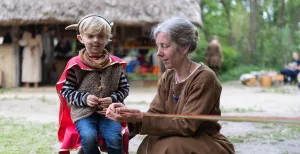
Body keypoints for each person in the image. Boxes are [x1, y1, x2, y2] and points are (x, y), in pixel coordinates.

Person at [106, 17, 235, 154]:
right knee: (148, 145)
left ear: (184, 47)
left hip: (205, 141)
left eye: (165, 46)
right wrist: (128, 114)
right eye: (158, 46)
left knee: (169, 147)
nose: (158, 52)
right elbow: (155, 114)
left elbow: (187, 125)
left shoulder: (204, 77)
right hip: (177, 136)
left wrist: (140, 118)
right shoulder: (167, 77)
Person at [56, 14, 130, 154]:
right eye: (90, 36)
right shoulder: (75, 65)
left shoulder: (115, 64)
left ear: (108, 38)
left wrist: (112, 99)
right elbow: (66, 91)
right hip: (83, 114)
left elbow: (124, 88)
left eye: (101, 36)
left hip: (109, 113)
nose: (96, 40)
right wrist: (85, 98)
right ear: (81, 38)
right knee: (89, 138)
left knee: (114, 139)